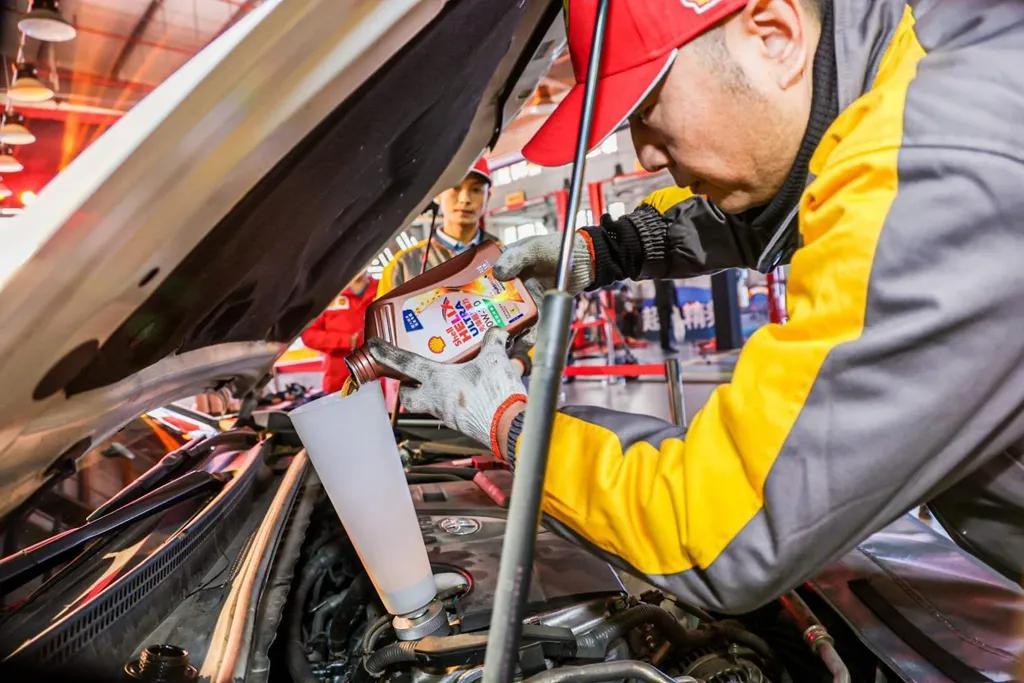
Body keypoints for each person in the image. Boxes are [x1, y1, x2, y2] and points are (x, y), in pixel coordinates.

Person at [366, 0, 1024, 612]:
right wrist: (609, 249)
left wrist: (511, 420)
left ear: (775, 36)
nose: (644, 151)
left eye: (649, 107)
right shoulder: (918, 75)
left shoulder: (932, 170)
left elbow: (717, 523)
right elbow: (777, 207)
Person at [379, 157, 499, 294]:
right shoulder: (403, 264)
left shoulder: (503, 254)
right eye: (455, 187)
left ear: (487, 197)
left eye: (476, 190)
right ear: (437, 194)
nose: (465, 199)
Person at [301, 271, 377, 393]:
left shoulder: (383, 289)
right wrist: (348, 341)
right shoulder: (328, 295)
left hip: (379, 379)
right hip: (340, 381)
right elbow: (309, 335)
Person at [652, 278, 678, 353]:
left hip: (664, 303)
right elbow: (672, 290)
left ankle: (665, 344)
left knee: (665, 326)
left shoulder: (658, 277)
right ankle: (666, 345)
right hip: (664, 303)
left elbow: (673, 290)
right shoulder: (664, 278)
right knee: (664, 326)